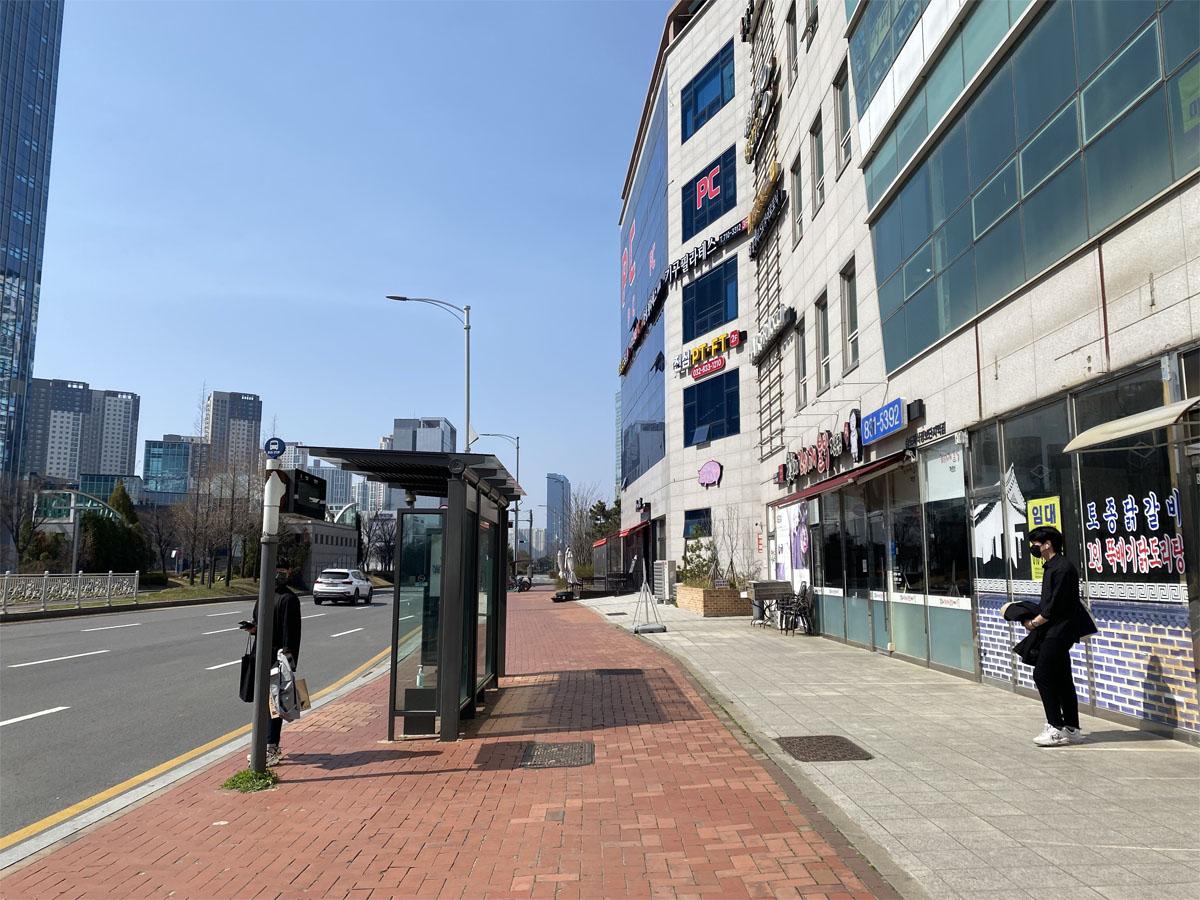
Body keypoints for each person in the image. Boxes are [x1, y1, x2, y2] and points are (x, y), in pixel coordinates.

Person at [1024, 526, 1097, 747]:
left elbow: (1055, 605)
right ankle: (1072, 728)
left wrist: (1035, 622)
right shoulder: (1051, 567)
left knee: (1042, 674)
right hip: (1054, 629)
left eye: (1036, 543)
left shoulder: (1063, 568)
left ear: (1048, 544)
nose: (1034, 548)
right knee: (1063, 678)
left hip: (1059, 631)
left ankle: (1055, 727)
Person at [247, 571, 302, 765]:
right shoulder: (288, 599)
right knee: (271, 703)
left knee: (272, 704)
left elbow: (289, 632)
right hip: (274, 657)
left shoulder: (282, 599)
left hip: (268, 657)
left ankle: (270, 746)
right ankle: (267, 746)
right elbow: (291, 634)